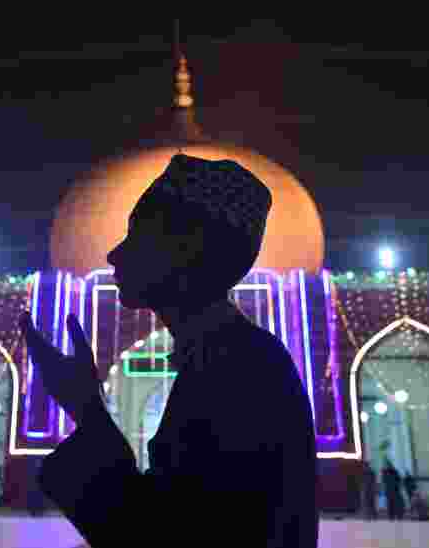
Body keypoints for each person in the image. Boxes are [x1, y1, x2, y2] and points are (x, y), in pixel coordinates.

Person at [23, 154, 318, 548]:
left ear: (185, 252)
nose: (114, 254)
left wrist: (88, 410)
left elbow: (158, 536)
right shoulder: (232, 358)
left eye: (137, 237)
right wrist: (86, 409)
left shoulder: (239, 373)